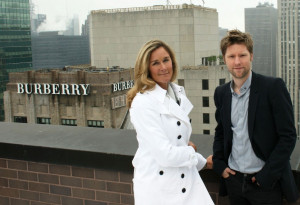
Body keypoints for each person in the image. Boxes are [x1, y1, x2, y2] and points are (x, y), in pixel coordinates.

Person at [213, 29, 299, 204]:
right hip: (234, 181)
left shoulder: (272, 87)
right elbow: (221, 131)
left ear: (251, 56)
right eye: (231, 56)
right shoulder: (221, 93)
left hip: (264, 185)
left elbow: (288, 136)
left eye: (242, 55)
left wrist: (266, 176)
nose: (237, 62)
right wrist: (219, 164)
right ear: (224, 59)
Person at [127, 39, 214, 205]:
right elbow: (165, 154)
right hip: (158, 189)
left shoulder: (177, 92)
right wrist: (191, 151)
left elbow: (178, 141)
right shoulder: (143, 102)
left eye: (166, 60)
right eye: (155, 63)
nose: (163, 67)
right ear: (146, 69)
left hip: (184, 181)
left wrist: (205, 163)